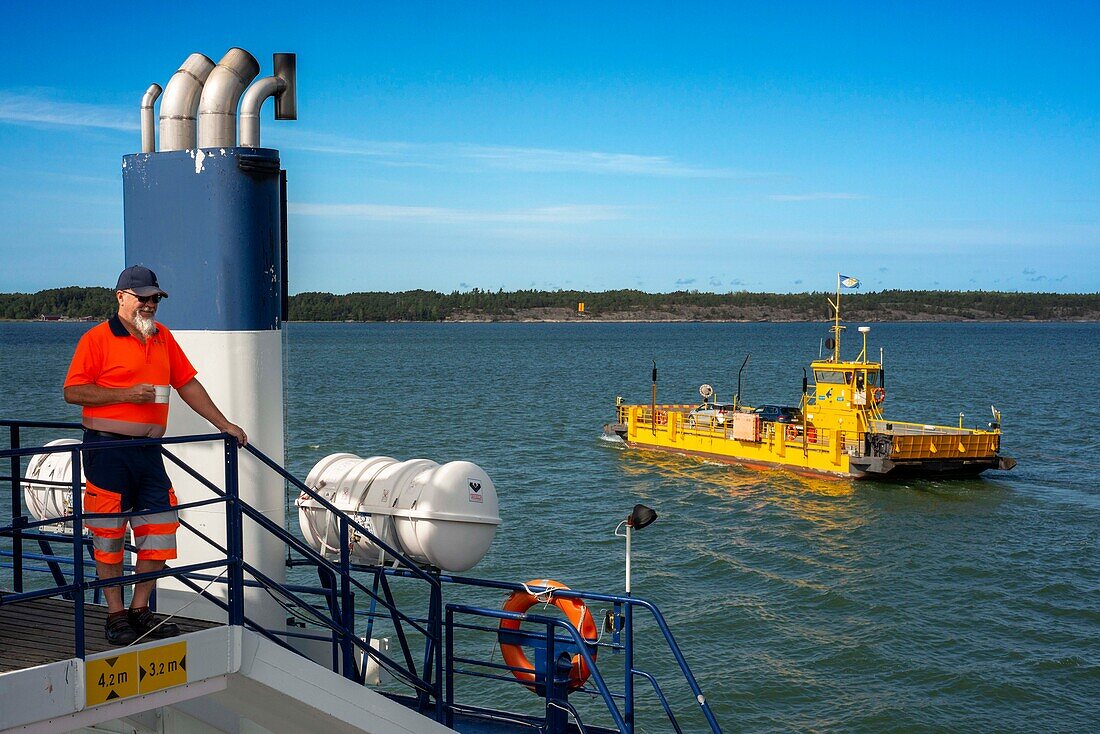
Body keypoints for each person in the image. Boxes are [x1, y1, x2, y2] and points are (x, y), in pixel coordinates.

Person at [63, 265, 248, 646]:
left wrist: (223, 423)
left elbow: (187, 384)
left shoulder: (163, 337)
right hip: (107, 449)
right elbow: (73, 391)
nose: (149, 305)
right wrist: (125, 395)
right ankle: (115, 615)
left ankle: (140, 609)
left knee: (160, 528)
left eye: (155, 299)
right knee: (109, 534)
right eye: (142, 297)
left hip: (148, 452)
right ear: (121, 297)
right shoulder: (97, 339)